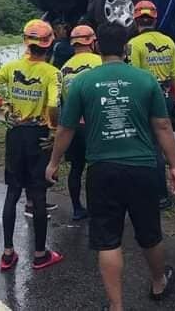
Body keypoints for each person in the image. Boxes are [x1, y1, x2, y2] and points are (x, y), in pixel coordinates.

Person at [47, 23, 175, 311]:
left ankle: (116, 306)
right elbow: (163, 125)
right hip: (143, 168)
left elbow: (65, 129)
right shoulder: (146, 80)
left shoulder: (83, 82)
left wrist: (54, 162)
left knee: (108, 239)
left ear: (97, 46)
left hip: (102, 170)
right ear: (126, 48)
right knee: (149, 232)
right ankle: (159, 282)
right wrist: (174, 166)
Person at [0, 19, 64, 272]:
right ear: (49, 44)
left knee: (12, 193)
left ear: (27, 42)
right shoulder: (52, 73)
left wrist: (4, 107)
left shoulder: (13, 67)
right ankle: (39, 254)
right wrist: (54, 129)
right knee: (37, 195)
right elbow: (54, 105)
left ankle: (7, 253)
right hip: (39, 136)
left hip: (15, 134)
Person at [127, 0, 175, 210]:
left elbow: (135, 78)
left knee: (148, 147)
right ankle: (158, 193)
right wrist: (174, 101)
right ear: (155, 19)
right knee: (159, 144)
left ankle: (156, 194)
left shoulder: (134, 44)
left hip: (144, 99)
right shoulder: (169, 42)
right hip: (165, 96)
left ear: (136, 19)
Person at [60, 24, 102, 221]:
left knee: (76, 168)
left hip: (74, 127)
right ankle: (98, 207)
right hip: (95, 124)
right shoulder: (100, 62)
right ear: (92, 42)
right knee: (97, 167)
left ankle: (77, 208)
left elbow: (61, 101)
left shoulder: (64, 68)